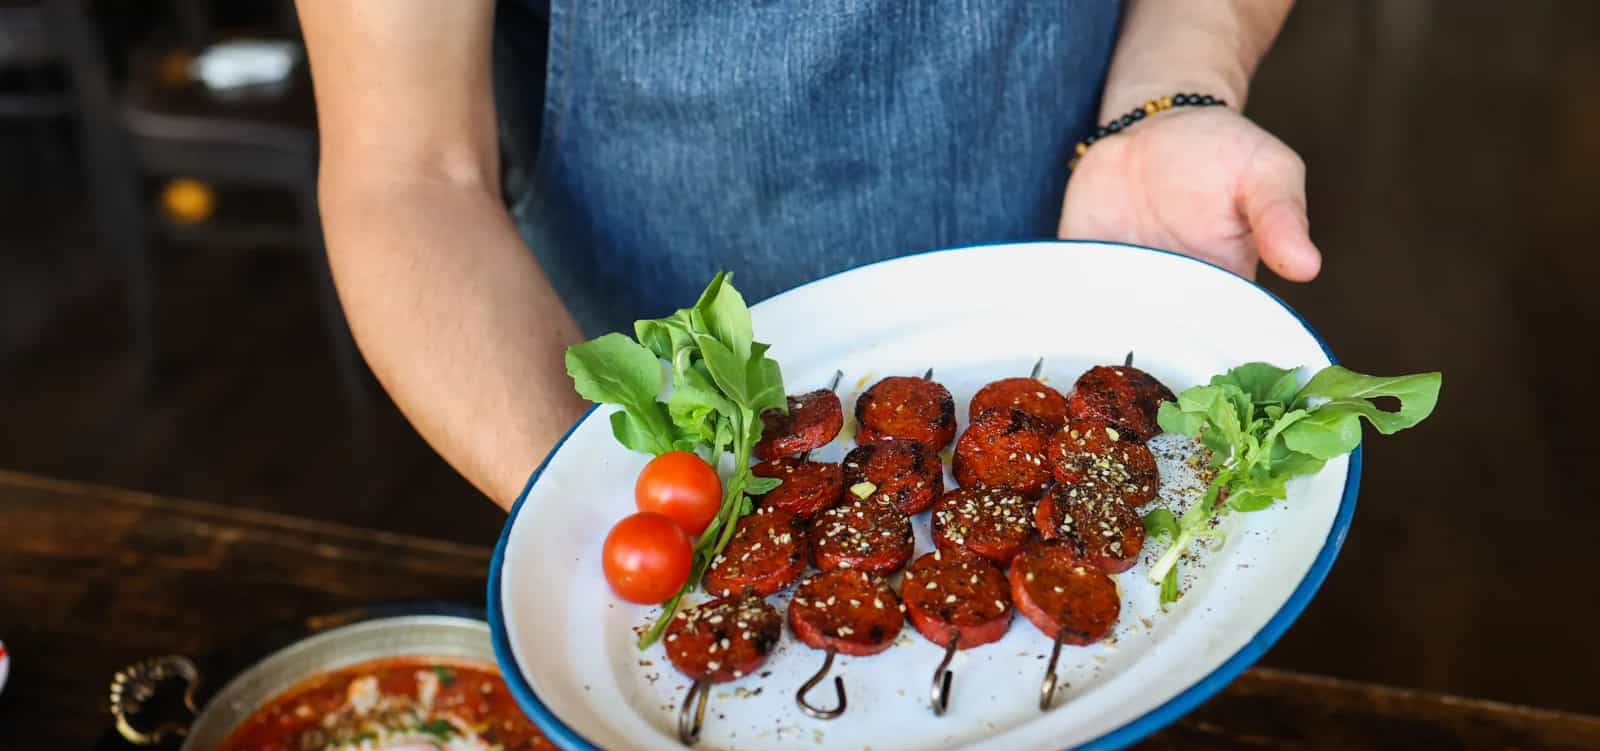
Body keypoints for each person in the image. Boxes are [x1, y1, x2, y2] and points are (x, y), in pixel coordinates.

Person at [296, 0, 1320, 511]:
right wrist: (612, 510)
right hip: (664, 410)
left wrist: (1174, 89)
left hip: (1084, 289)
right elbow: (409, 175)